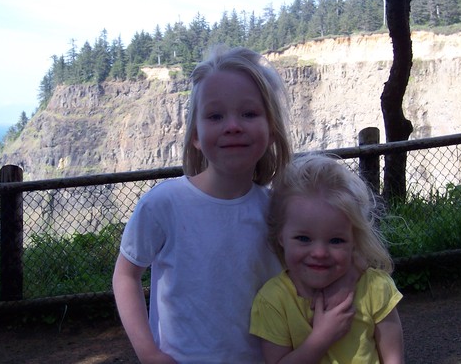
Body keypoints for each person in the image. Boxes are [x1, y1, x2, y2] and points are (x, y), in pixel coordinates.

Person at [112, 47, 293, 363]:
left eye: (249, 113)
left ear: (271, 128)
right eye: (215, 116)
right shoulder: (164, 205)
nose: (233, 125)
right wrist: (148, 352)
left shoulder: (279, 211)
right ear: (195, 135)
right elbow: (126, 276)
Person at [250, 154, 404, 364]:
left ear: (353, 241)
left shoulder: (375, 288)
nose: (320, 253)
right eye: (304, 238)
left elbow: (393, 357)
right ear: (281, 237)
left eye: (336, 241)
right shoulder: (273, 301)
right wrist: (321, 339)